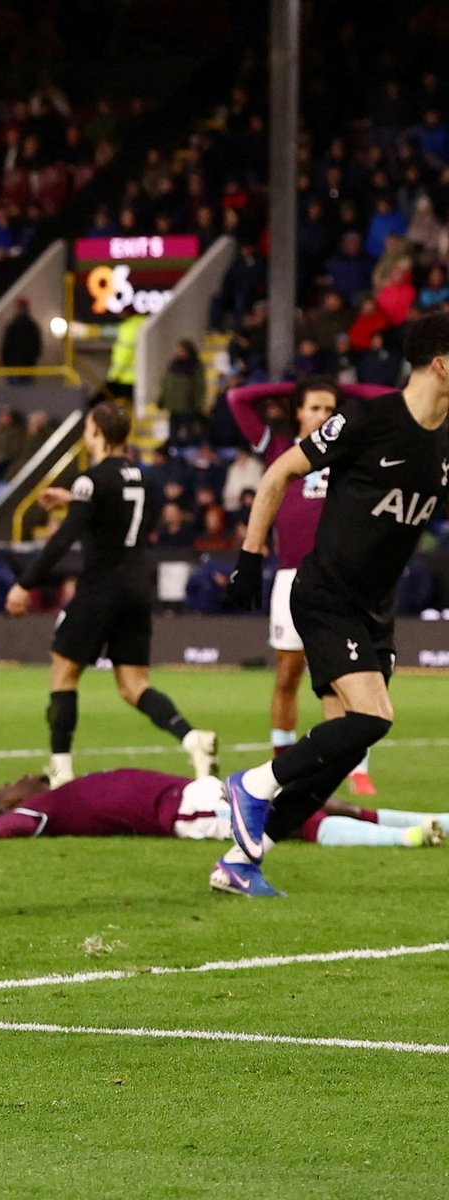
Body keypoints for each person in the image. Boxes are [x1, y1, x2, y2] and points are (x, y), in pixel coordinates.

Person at [218, 312, 449, 897]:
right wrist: (249, 557)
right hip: (324, 593)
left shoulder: (444, 441)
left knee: (343, 751)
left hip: (376, 608)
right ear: (441, 364)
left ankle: (242, 861)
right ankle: (253, 782)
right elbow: (277, 472)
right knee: (373, 717)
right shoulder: (369, 419)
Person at [5, 402, 216, 788]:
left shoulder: (90, 479)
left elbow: (64, 538)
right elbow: (128, 510)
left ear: (98, 432)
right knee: (134, 685)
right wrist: (73, 500)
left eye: (88, 427)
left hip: (100, 587)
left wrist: (25, 583)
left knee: (64, 672)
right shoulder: (145, 477)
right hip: (137, 587)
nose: (86, 434)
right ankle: (192, 739)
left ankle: (61, 771)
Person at [226, 377, 393, 793]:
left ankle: (355, 766)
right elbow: (238, 398)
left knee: (345, 675)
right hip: (289, 577)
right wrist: (297, 386)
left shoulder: (348, 449)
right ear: (297, 411)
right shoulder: (279, 449)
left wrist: (343, 389)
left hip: (340, 578)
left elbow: (390, 399)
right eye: (314, 408)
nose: (322, 415)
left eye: (329, 409)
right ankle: (284, 758)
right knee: (288, 674)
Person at [0, 770, 443, 848]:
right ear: (11, 802)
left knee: (308, 796)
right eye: (9, 785)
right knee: (295, 819)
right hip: (186, 815)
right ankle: (405, 839)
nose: (18, 779)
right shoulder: (40, 813)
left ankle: (430, 821)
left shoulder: (63, 790)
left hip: (197, 789)